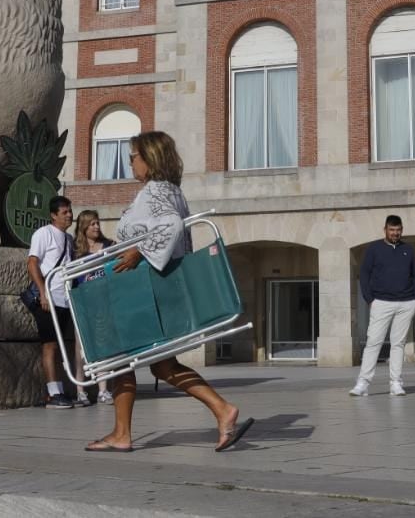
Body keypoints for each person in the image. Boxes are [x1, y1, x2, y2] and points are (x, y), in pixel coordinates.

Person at [86, 131, 253, 453]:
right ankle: (220, 410)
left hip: (143, 290)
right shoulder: (171, 191)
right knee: (159, 365)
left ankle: (125, 434)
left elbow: (172, 226)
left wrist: (138, 252)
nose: (130, 162)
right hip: (154, 287)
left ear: (149, 159)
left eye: (133, 155)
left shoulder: (155, 192)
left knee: (125, 359)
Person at [350, 215, 415, 398]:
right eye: (392, 230)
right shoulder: (374, 248)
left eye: (398, 230)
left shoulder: (408, 249)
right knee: (373, 342)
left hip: (406, 302)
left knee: (398, 344)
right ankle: (363, 383)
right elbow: (364, 273)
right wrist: (369, 299)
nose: (395, 233)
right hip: (381, 302)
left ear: (401, 230)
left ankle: (396, 383)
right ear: (385, 229)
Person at [27, 196, 77, 409]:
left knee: (61, 347)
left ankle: (60, 389)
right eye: (64, 212)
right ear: (53, 215)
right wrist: (42, 292)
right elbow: (32, 263)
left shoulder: (68, 239)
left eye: (70, 211)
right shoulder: (43, 233)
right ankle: (52, 392)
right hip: (48, 298)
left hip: (65, 299)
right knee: (49, 345)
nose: (69, 215)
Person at [72, 209, 115, 406]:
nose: (96, 227)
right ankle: (80, 390)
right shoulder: (75, 250)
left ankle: (103, 390)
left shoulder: (108, 245)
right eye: (92, 224)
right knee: (80, 348)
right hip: (82, 301)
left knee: (102, 344)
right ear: (83, 228)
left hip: (103, 300)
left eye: (97, 223)